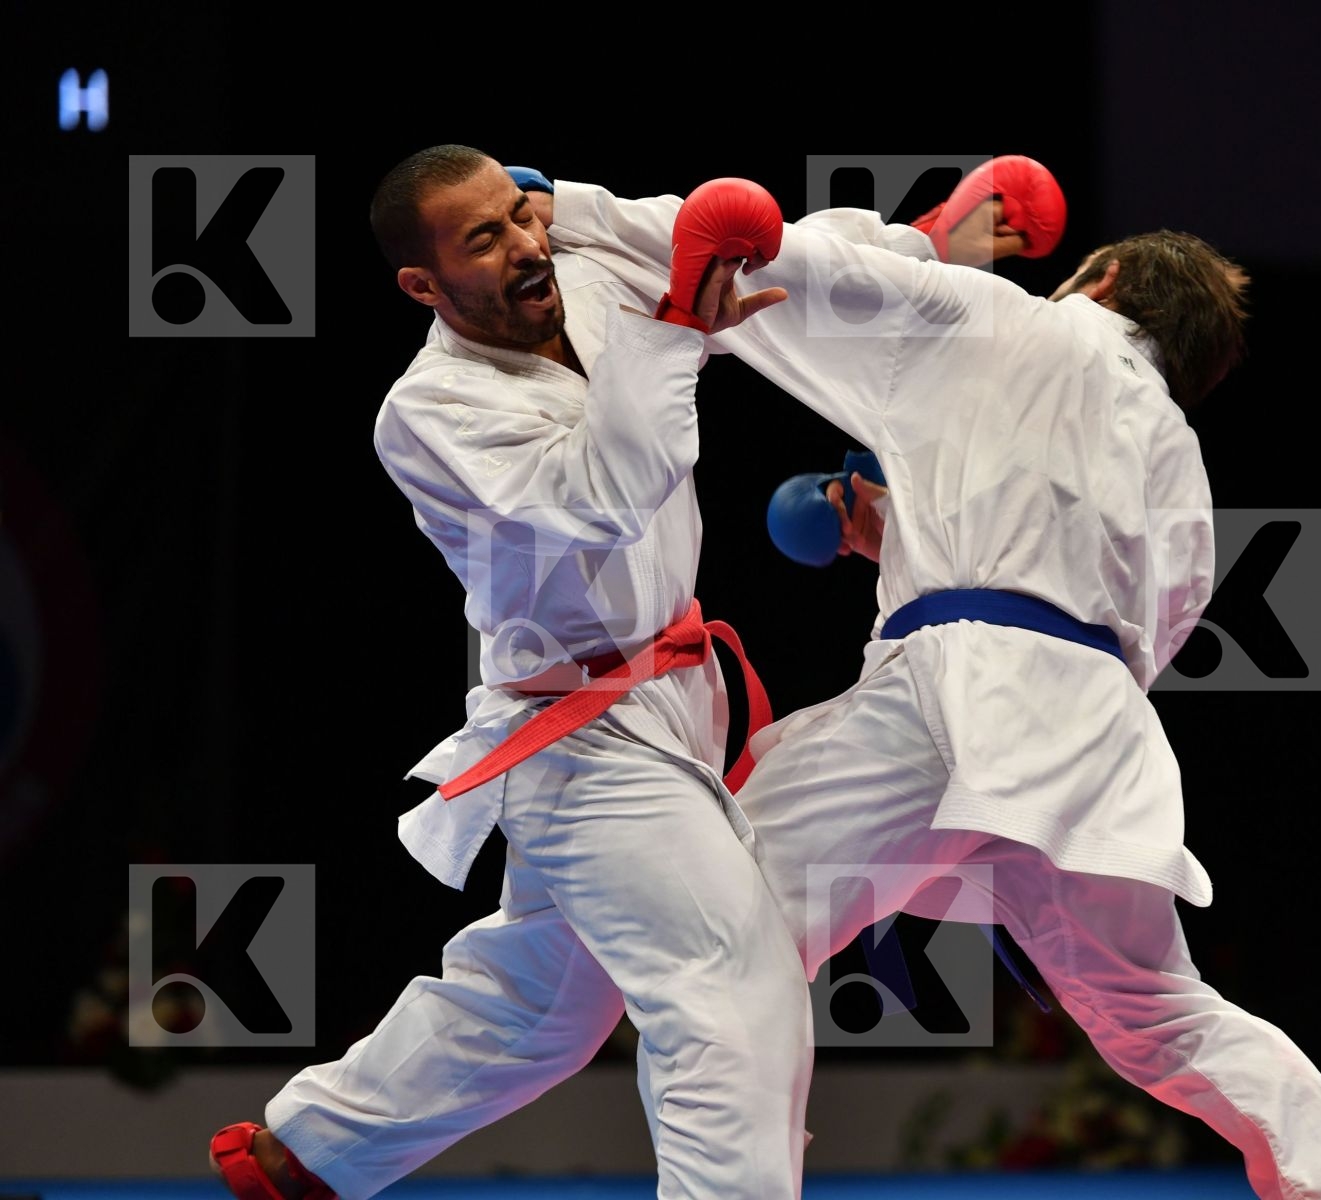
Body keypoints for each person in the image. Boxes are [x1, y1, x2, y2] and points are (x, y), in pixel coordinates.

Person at [541, 182, 1321, 1196]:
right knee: (1160, 1007)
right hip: (1098, 736)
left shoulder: (1003, 319)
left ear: (1109, 277)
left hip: (950, 700)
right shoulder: (1178, 458)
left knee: (720, 928)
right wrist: (913, 542)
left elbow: (789, 264)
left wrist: (565, 213)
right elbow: (1121, 620)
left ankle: (739, 1173)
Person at [208, 150, 1036, 1200]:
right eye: (483, 241)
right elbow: (607, 490)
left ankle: (309, 1154)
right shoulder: (430, 413)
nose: (523, 248)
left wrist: (923, 243)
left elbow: (749, 239)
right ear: (422, 285)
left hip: (671, 698)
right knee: (731, 993)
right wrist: (678, 327)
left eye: (520, 218)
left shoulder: (586, 265)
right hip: (580, 735)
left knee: (539, 1006)